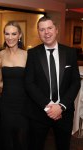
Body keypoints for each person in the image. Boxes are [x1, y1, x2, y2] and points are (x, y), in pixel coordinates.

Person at [24, 15, 81, 150]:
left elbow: (75, 82)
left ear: (56, 30)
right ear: (38, 32)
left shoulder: (70, 53)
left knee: (63, 146)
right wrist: (49, 106)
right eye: (42, 29)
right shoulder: (32, 53)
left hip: (64, 113)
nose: (46, 32)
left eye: (49, 28)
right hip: (39, 112)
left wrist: (60, 106)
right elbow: (29, 83)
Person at [0, 21, 29, 150]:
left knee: (22, 141)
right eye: (7, 34)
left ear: (19, 35)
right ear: (4, 35)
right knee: (7, 141)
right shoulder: (0, 55)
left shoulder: (27, 55)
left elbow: (32, 82)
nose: (10, 37)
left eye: (14, 34)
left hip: (23, 106)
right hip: (5, 105)